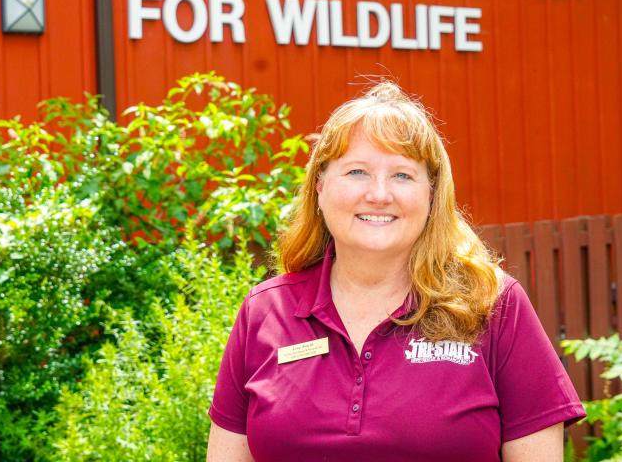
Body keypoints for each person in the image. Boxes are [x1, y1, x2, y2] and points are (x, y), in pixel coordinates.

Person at [206, 82, 585, 461]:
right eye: (357, 171)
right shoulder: (264, 311)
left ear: (431, 194)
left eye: (402, 175)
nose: (379, 194)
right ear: (319, 185)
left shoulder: (493, 305)